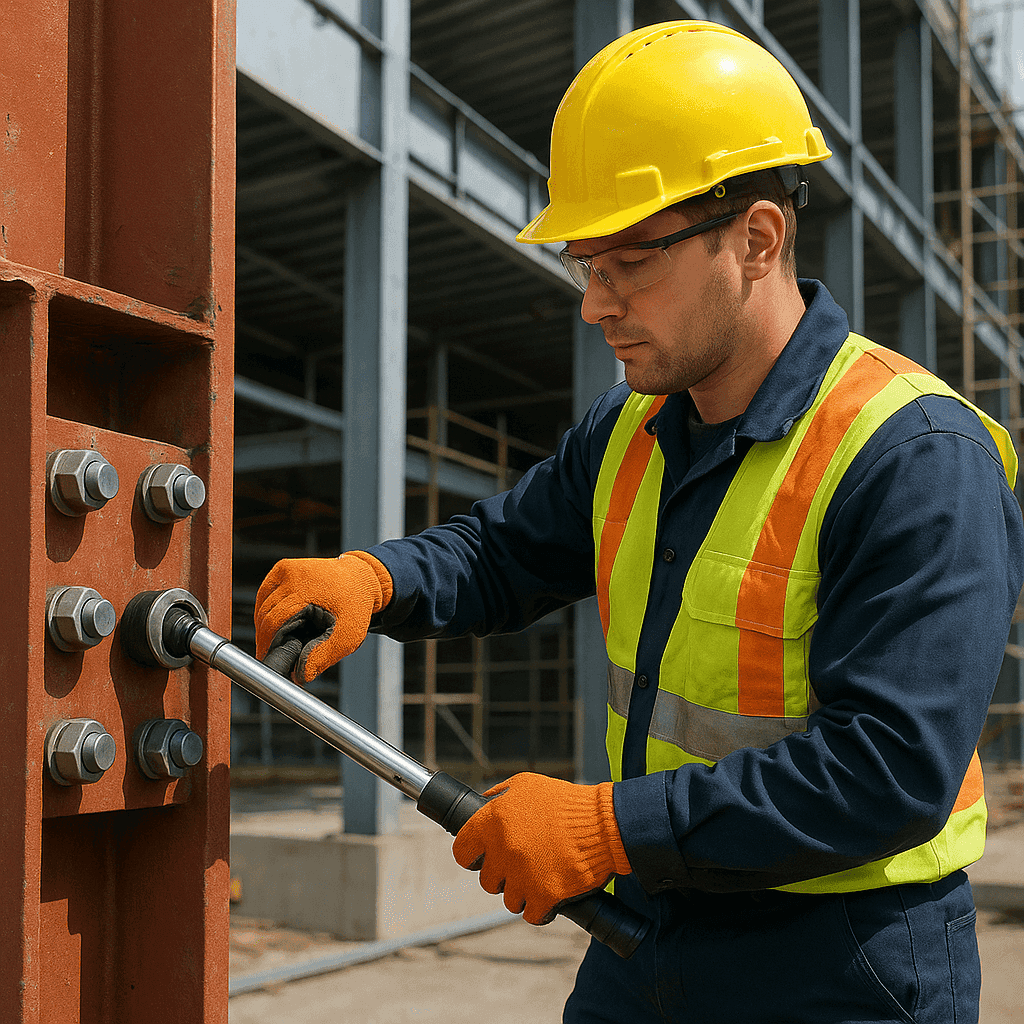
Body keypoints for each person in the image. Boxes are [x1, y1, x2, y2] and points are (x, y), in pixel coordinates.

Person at [253, 21, 1024, 1024]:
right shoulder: (632, 432)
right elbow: (501, 551)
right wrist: (379, 580)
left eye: (629, 261)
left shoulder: (912, 455)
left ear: (755, 238)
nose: (595, 304)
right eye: (586, 263)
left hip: (845, 963)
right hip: (655, 922)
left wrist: (607, 826)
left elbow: (887, 769)